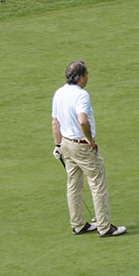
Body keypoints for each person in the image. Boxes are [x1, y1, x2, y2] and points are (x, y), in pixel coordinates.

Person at [51, 60, 125, 237]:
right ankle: (104, 226)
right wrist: (90, 140)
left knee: (73, 186)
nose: (87, 78)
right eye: (87, 74)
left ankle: (77, 224)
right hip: (81, 146)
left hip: (65, 145)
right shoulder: (81, 95)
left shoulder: (59, 93)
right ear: (80, 77)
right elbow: (83, 121)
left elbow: (55, 123)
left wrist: (57, 145)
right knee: (97, 184)